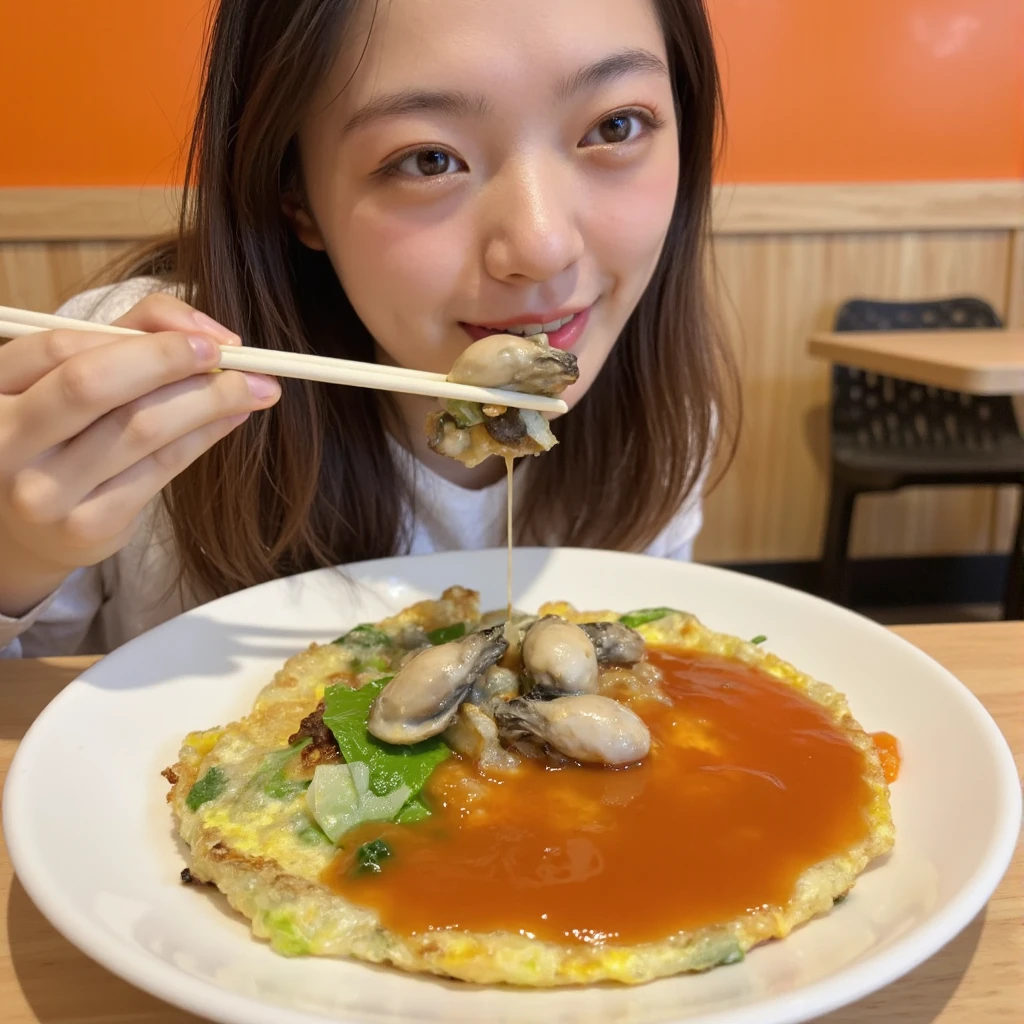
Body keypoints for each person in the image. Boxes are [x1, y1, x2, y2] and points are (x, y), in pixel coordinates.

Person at [0, 0, 736, 658]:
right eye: (428, 159)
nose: (542, 245)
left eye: (616, 126)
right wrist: (15, 557)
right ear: (298, 199)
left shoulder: (662, 413)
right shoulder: (134, 377)